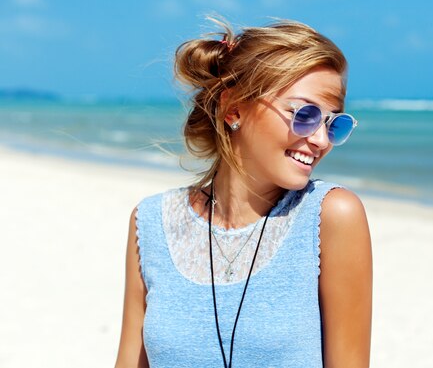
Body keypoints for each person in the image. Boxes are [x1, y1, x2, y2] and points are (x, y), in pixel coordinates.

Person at [114, 18, 372, 368]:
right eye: (306, 115)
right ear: (233, 107)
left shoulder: (331, 215)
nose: (321, 141)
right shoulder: (152, 223)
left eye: (334, 123)